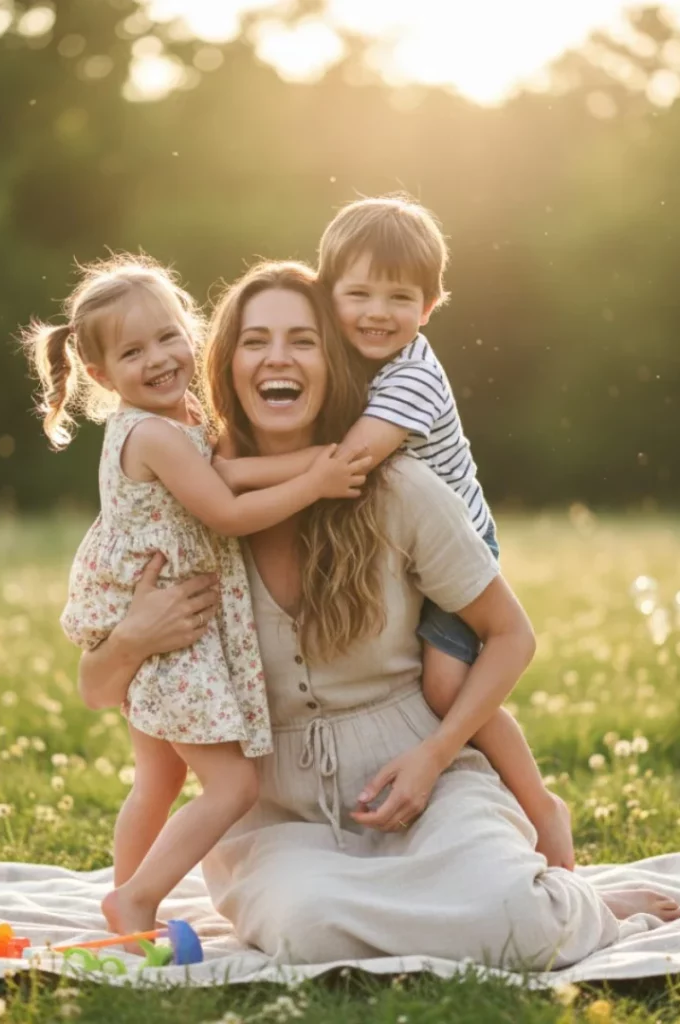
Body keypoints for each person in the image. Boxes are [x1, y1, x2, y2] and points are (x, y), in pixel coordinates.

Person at [78, 260, 680, 968]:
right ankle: (479, 902)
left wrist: (434, 755)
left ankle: (571, 903)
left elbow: (508, 634)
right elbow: (99, 690)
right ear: (228, 361)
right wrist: (132, 637)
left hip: (423, 780)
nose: (279, 357)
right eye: (256, 341)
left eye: (302, 340)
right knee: (309, 930)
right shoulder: (186, 507)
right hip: (277, 816)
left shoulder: (396, 485)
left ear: (332, 359)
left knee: (521, 920)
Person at [215, 195, 574, 869]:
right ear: (328, 296)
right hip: (290, 789)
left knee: (442, 689)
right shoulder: (347, 362)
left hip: (460, 536)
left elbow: (348, 464)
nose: (378, 313)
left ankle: (541, 808)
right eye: (358, 294)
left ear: (429, 307)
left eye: (400, 297)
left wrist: (235, 477)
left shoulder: (410, 377)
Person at [22, 254, 369, 939]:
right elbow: (227, 510)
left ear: (192, 333)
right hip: (174, 636)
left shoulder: (178, 419)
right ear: (99, 374)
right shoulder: (150, 432)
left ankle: (126, 900)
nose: (158, 358)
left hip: (164, 622)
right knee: (233, 787)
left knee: (154, 778)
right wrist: (314, 483)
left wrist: (310, 456)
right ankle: (137, 898)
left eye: (168, 337)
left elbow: (233, 469)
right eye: (132, 351)